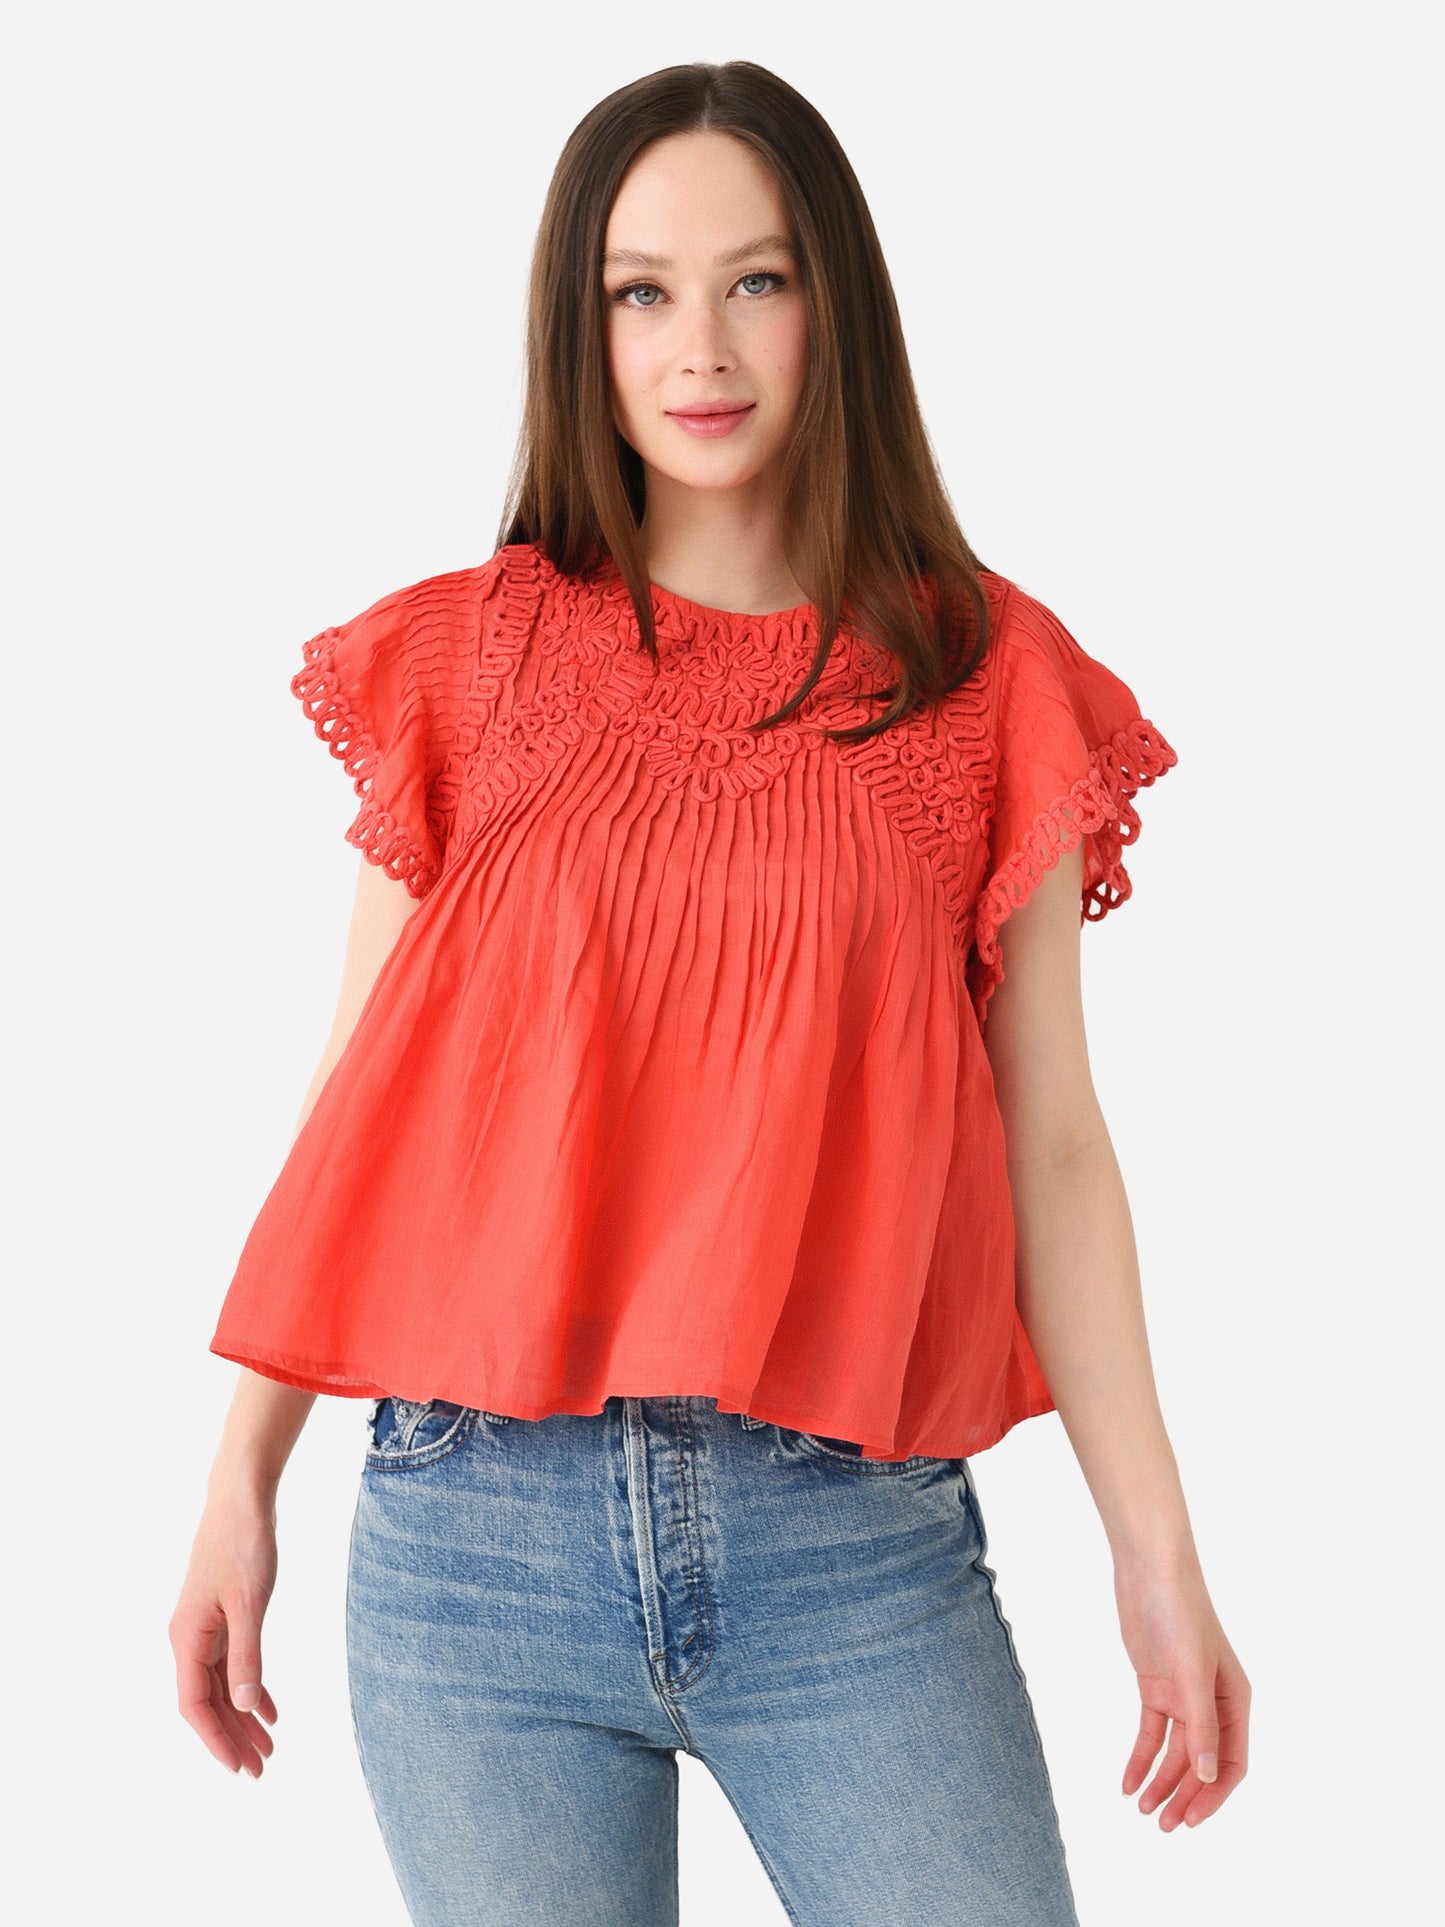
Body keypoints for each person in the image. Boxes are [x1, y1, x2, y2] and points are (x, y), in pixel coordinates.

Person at [169, 59, 1250, 1927]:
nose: (701, 348)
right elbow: (361, 1103)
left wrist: (1153, 1551)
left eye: (756, 280)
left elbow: (1055, 1145)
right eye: (640, 292)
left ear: (836, 305)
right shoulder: (470, 660)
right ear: (576, 326)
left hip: (847, 1544)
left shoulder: (981, 681)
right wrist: (236, 1480)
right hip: (471, 1537)